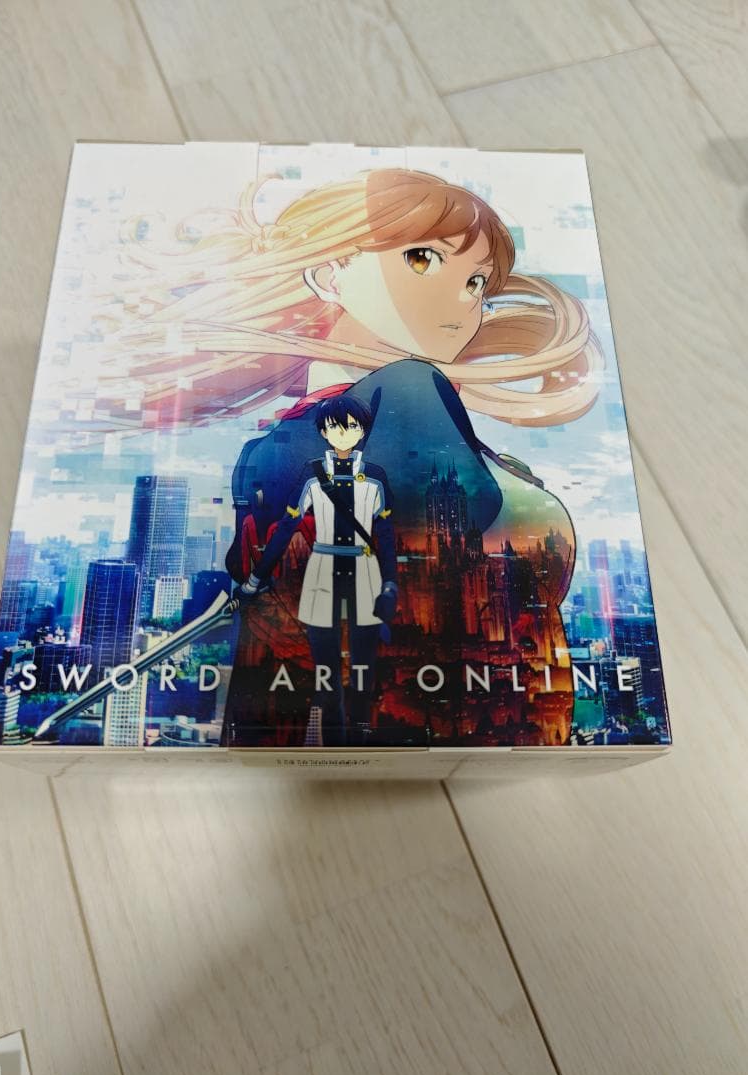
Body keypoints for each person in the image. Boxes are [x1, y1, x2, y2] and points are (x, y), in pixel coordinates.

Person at [88, 165, 605, 746]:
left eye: (477, 282)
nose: (464, 301)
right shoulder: (407, 393)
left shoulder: (268, 451)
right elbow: (475, 519)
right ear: (330, 275)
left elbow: (265, 680)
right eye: (422, 259)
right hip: (458, 717)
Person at [236, 392, 397, 745]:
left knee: (363, 671)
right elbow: (286, 528)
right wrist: (255, 578)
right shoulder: (312, 475)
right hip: (323, 570)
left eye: (351, 426)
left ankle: (360, 748)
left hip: (364, 572)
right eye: (336, 427)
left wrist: (390, 583)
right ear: (324, 431)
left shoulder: (375, 477)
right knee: (327, 675)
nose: (344, 433)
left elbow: (385, 534)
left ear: (362, 430)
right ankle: (335, 750)